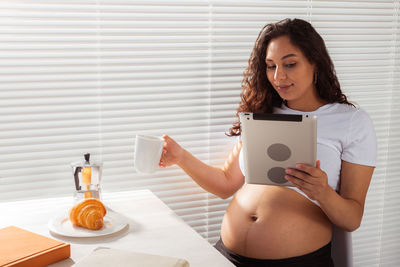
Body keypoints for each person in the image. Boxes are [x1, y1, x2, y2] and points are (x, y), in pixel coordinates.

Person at [159, 18, 376, 267]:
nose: (278, 76)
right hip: (227, 256)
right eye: (270, 66)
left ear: (315, 62)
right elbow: (226, 184)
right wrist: (180, 157)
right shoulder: (262, 111)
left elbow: (352, 219)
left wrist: (323, 192)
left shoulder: (351, 121)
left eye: (290, 64)